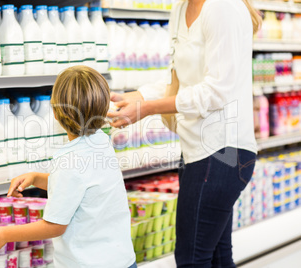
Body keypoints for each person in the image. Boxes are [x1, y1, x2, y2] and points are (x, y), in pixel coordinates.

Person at [107, 0, 261, 267]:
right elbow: (180, 82)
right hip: (195, 150)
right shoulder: (180, 9)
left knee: (192, 260)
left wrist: (147, 108)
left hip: (223, 151)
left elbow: (216, 92)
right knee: (217, 258)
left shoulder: (223, 7)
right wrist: (139, 95)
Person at [0, 66, 136, 268]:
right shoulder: (101, 142)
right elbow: (82, 189)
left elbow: (55, 226)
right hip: (122, 260)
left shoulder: (69, 162)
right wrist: (36, 178)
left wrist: (5, 234)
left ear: (56, 113)